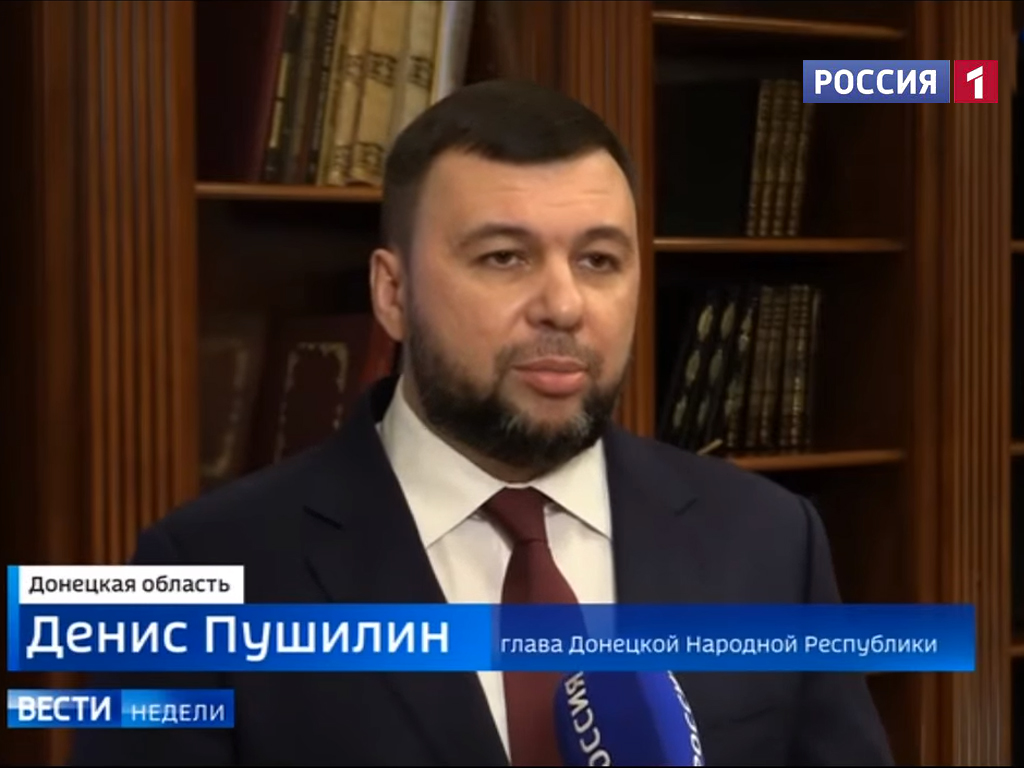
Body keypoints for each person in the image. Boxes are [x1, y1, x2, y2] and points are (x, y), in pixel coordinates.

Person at [69, 78, 894, 766]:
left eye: (599, 260)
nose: (564, 304)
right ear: (393, 293)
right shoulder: (200, 570)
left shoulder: (771, 541)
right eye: (505, 257)